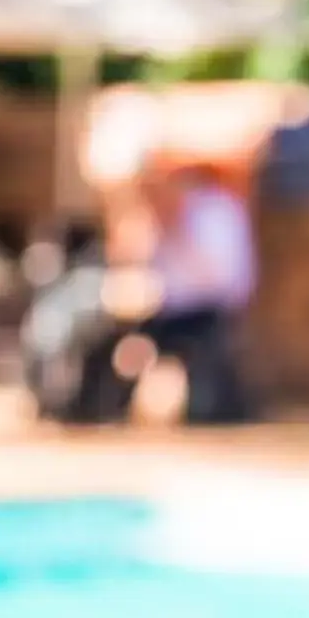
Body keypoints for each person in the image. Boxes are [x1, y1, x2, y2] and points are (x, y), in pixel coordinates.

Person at [135, 159, 258, 424]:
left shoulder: (216, 213)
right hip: (168, 312)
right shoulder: (163, 216)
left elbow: (219, 277)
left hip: (208, 311)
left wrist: (178, 228)